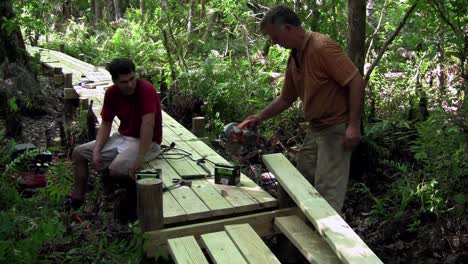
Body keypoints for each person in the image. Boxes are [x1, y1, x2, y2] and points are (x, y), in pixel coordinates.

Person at [240, 6, 365, 212]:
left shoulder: (321, 46)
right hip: (316, 130)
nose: (273, 42)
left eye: (275, 36)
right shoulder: (295, 57)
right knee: (300, 184)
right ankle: (293, 239)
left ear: (288, 28)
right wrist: (259, 117)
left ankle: (328, 239)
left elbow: (356, 82)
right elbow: (286, 98)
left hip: (335, 130)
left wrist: (353, 125)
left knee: (327, 192)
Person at [66, 58, 163, 209]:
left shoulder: (146, 89)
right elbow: (105, 124)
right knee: (79, 153)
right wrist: (97, 151)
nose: (130, 84)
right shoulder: (112, 93)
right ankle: (77, 198)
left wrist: (140, 158)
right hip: (123, 137)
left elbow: (148, 125)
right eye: (124, 82)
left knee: (116, 170)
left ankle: (149, 179)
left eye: (132, 79)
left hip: (148, 141)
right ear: (115, 81)